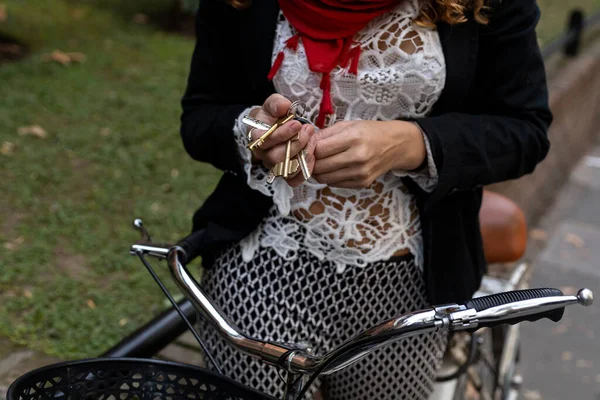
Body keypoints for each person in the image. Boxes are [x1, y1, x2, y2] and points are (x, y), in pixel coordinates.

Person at [180, 0, 552, 398]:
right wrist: (255, 133)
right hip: (261, 261)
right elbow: (201, 114)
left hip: (408, 282)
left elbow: (525, 130)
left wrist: (412, 144)